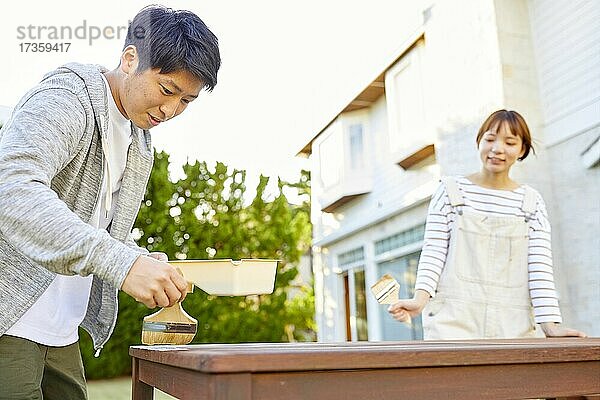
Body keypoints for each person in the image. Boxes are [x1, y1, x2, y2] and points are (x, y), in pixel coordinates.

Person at [0, 5, 220, 399]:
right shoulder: (67, 98)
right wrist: (122, 264)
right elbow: (12, 189)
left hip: (60, 329)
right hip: (8, 317)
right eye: (167, 89)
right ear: (130, 59)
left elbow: (95, 230)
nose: (171, 110)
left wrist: (138, 257)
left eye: (186, 100)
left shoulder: (140, 142)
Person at [387, 109, 586, 340]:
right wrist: (419, 300)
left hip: (513, 324)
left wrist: (550, 325)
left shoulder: (531, 202)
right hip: (453, 320)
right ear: (479, 142)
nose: (497, 149)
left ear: (521, 149)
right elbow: (434, 251)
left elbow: (539, 268)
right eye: (490, 139)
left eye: (509, 142)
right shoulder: (450, 191)